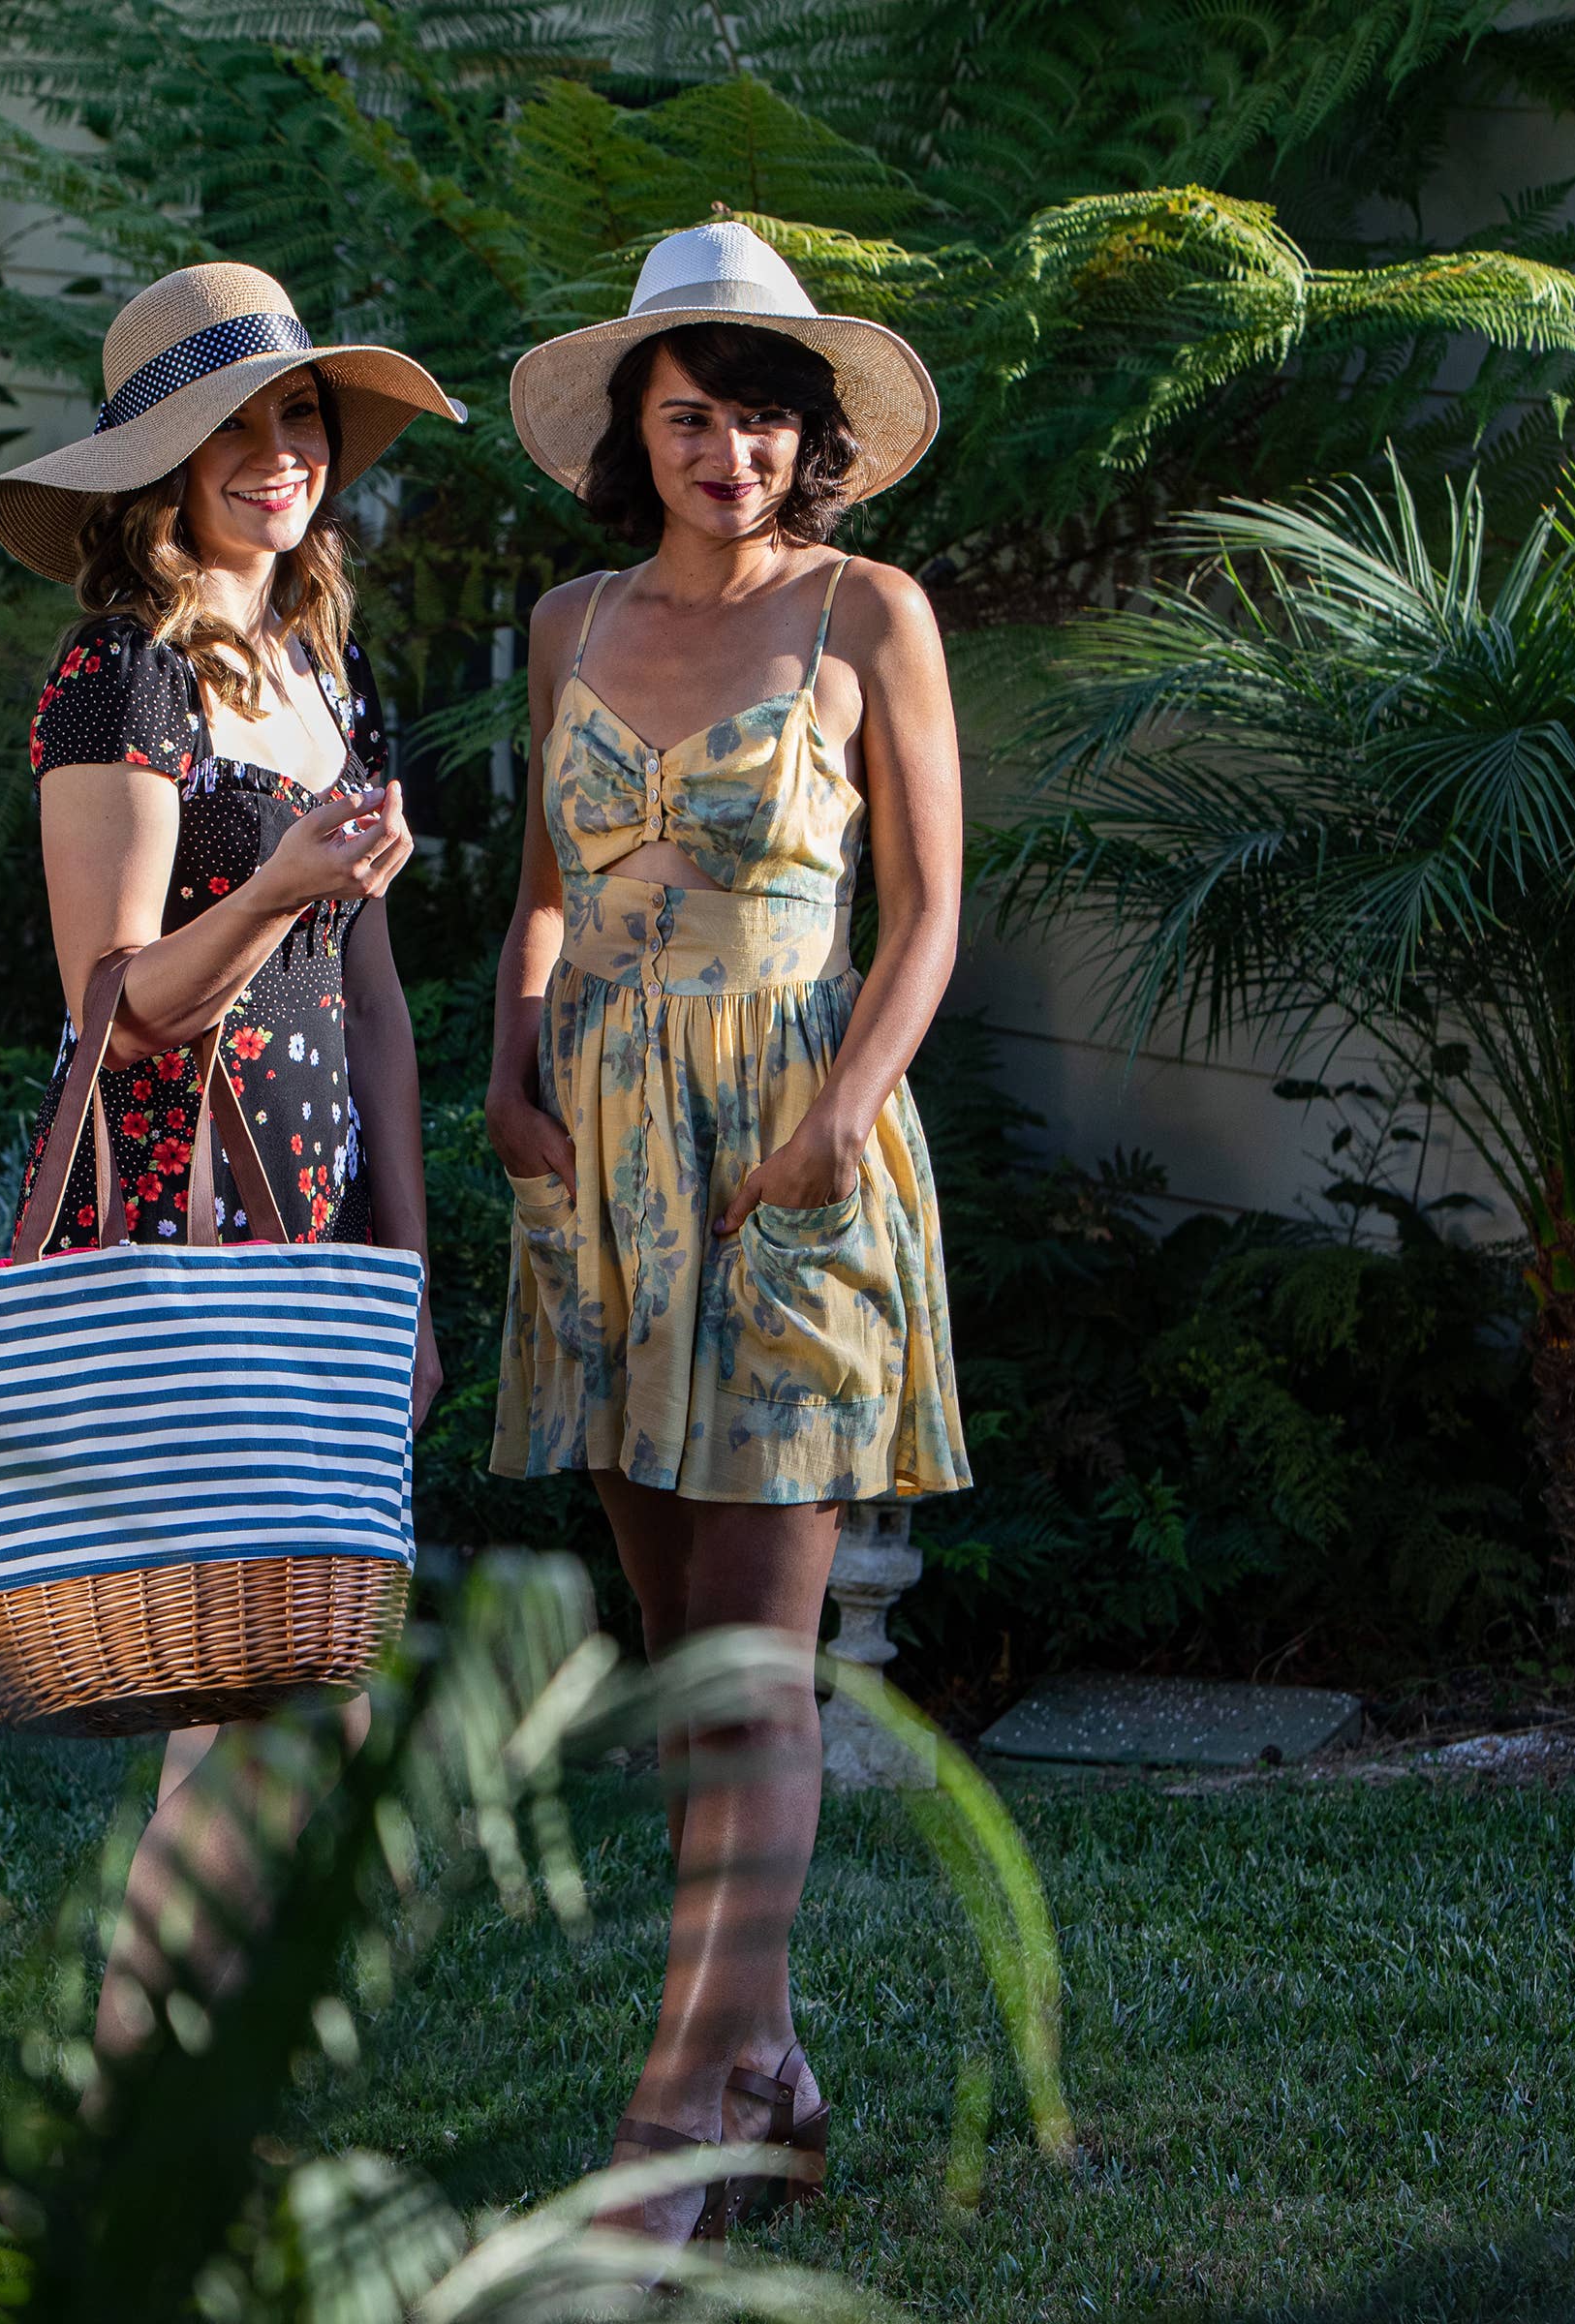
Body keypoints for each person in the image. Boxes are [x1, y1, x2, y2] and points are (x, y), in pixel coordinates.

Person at [485, 221, 974, 2241]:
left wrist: (837, 1119)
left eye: (766, 421)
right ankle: (764, 2075)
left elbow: (934, 908)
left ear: (811, 441)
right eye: (693, 418)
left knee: (762, 1682)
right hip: (597, 1163)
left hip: (793, 1156)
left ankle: (665, 2141)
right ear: (638, 432)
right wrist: (507, 1068)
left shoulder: (869, 613)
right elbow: (533, 881)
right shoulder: (565, 620)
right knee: (687, 1664)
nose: (731, 455)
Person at [0, 260, 458, 2064]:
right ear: (160, 475)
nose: (280, 455)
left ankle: (176, 2114)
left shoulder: (331, 673)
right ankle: (139, 2114)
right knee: (263, 1687)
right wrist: (275, 888)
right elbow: (118, 999)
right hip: (185, 1216)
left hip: (317, 1222)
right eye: (235, 428)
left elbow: (383, 1008)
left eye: (299, 415)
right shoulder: (120, 683)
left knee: (280, 1684)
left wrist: (404, 1268)